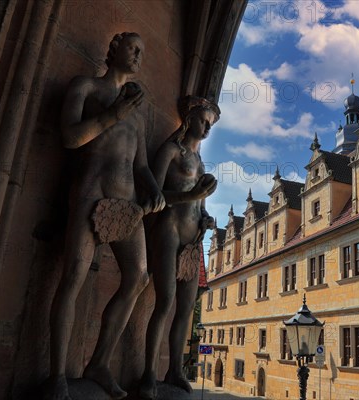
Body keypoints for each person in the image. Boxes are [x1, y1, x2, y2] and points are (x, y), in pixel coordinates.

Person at [46, 32, 165, 400]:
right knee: (73, 278)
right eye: (133, 47)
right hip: (90, 193)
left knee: (139, 277)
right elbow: (69, 137)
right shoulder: (86, 87)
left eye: (142, 51)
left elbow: (141, 163)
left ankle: (99, 362)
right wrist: (114, 114)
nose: (138, 56)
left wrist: (154, 188)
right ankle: (56, 376)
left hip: (127, 202)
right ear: (113, 50)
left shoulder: (139, 109)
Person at [138, 96, 218, 399]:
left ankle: (175, 369)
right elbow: (153, 197)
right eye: (203, 119)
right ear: (188, 119)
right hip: (169, 229)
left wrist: (206, 216)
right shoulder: (172, 150)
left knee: (186, 310)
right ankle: (148, 373)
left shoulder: (200, 162)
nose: (207, 126)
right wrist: (190, 197)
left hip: (193, 238)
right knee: (164, 302)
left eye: (210, 122)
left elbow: (200, 202)